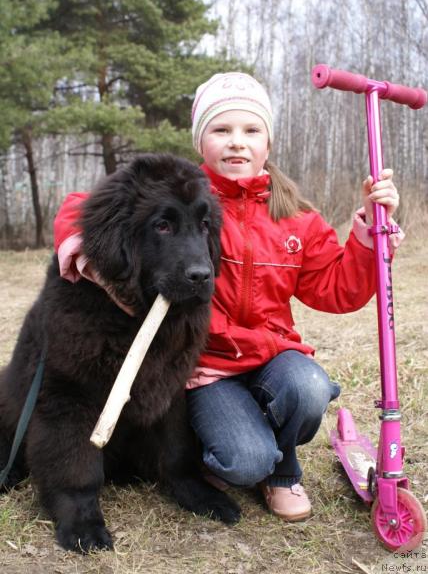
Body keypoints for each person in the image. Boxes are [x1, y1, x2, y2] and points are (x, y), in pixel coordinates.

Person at [53, 72, 403, 523]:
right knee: (243, 461)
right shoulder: (181, 196)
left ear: (268, 144)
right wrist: (80, 243)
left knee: (308, 386)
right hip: (206, 372)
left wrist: (367, 239)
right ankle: (237, 451)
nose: (237, 143)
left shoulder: (297, 218)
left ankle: (283, 474)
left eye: (251, 130)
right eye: (222, 130)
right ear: (202, 142)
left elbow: (339, 290)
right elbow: (80, 204)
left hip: (269, 359)